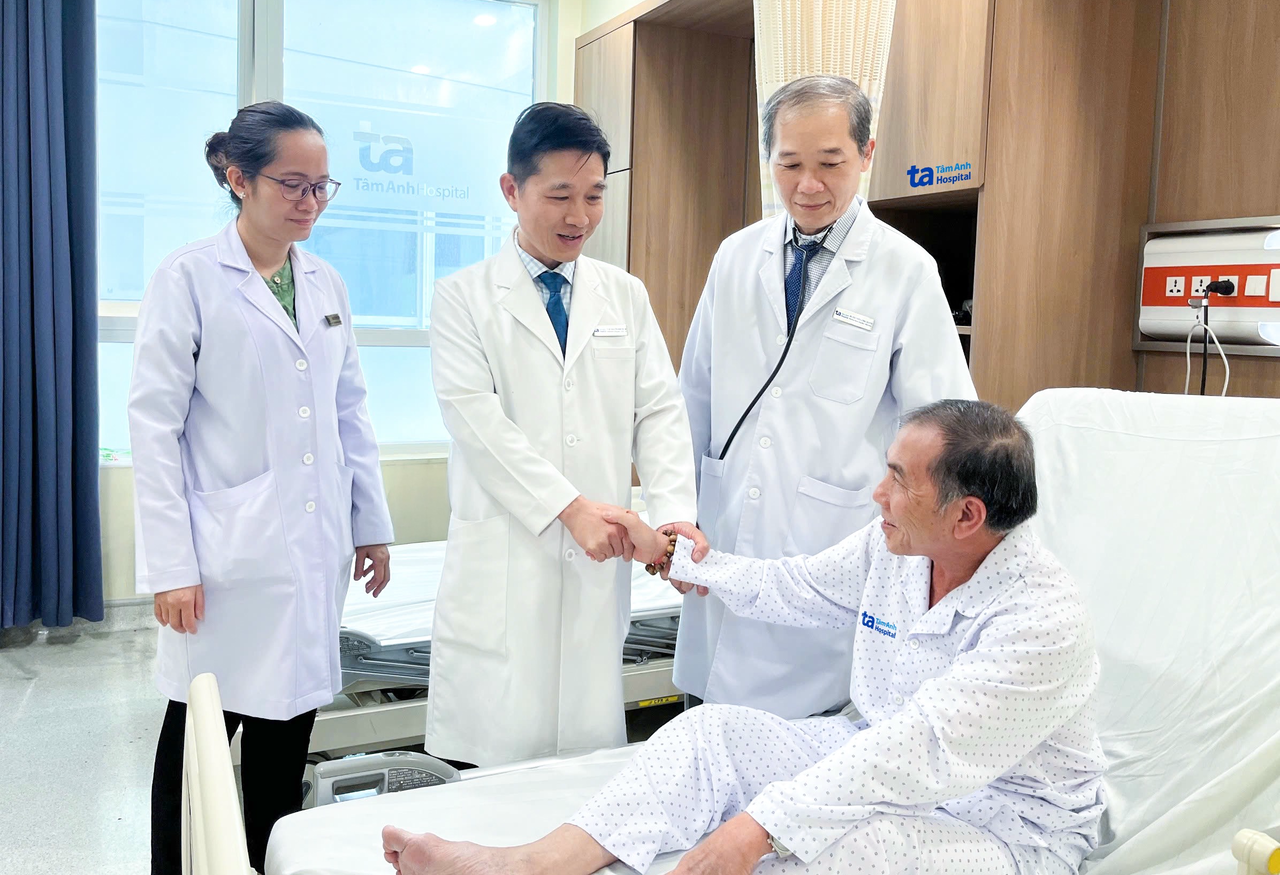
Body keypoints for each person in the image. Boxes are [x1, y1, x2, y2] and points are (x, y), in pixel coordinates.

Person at [382, 400, 1106, 875]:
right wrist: (671, 555)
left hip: (1006, 827)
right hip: (875, 755)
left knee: (831, 844)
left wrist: (758, 826)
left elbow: (917, 750)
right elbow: (793, 586)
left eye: (897, 480)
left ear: (966, 515)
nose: (877, 494)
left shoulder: (1041, 620)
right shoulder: (896, 548)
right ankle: (529, 866)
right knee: (712, 734)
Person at [129, 101, 395, 874]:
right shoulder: (188, 277)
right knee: (198, 745)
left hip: (311, 548)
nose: (310, 201)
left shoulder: (325, 281)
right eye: (293, 184)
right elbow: (154, 426)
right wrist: (171, 565)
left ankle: (272, 863)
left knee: (286, 738)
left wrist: (370, 523)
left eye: (321, 186)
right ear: (238, 178)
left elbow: (349, 410)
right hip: (222, 557)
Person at [677, 75, 978, 719]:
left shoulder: (905, 271)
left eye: (830, 164)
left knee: (807, 739)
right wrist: (678, 511)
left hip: (830, 543)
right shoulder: (735, 257)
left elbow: (945, 426)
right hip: (723, 535)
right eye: (789, 165)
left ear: (866, 154)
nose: (808, 185)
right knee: (706, 729)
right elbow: (692, 399)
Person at [424, 102, 701, 767]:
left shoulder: (624, 294)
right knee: (495, 775)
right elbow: (478, 425)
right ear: (511, 190)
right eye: (559, 196)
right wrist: (570, 509)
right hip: (507, 556)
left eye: (594, 196)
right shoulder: (462, 297)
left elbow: (659, 411)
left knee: (583, 775)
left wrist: (673, 518)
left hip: (595, 571)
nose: (579, 216)